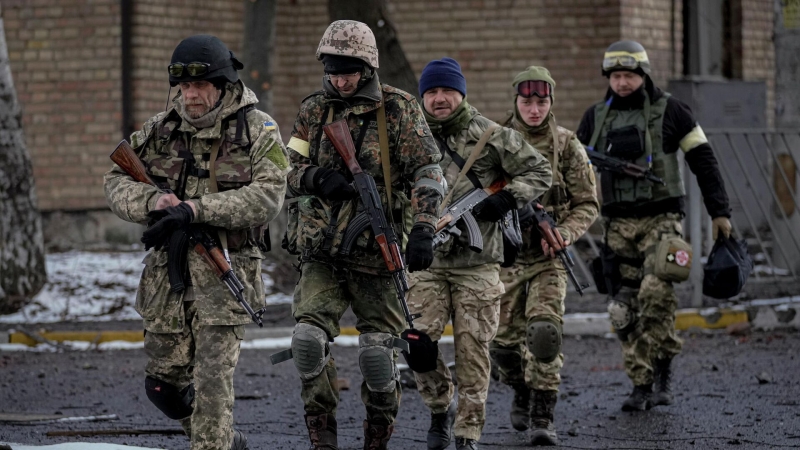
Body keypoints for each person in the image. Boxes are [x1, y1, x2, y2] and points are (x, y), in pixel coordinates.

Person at [104, 35, 289, 450]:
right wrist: (153, 201)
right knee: (163, 388)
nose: (190, 95)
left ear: (222, 84)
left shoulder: (258, 129)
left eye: (200, 85)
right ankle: (224, 441)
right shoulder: (161, 128)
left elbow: (269, 195)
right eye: (184, 86)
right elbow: (114, 181)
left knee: (211, 388)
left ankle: (213, 442)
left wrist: (196, 209)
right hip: (166, 281)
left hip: (226, 274)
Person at [275, 20, 444, 450]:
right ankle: (322, 430)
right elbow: (284, 169)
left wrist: (424, 227)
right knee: (307, 342)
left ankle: (378, 431)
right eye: (332, 71)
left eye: (348, 72)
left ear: (367, 68)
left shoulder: (399, 109)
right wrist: (314, 178)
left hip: (377, 254)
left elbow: (428, 171)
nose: (339, 80)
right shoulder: (314, 110)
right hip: (321, 250)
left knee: (377, 355)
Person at [576, 40, 732, 411]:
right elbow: (572, 170)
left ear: (643, 75)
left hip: (662, 219)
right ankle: (640, 383)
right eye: (615, 76)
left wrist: (720, 212)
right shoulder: (595, 117)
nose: (622, 83)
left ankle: (663, 372)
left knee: (656, 293)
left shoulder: (672, 111)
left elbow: (703, 161)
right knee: (621, 309)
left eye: (629, 75)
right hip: (616, 225)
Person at [408, 57, 553, 450]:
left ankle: (467, 433)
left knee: (473, 352)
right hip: (427, 263)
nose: (439, 99)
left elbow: (540, 171)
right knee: (418, 346)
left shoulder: (490, 134)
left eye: (447, 90)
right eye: (431, 92)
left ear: (462, 93)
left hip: (478, 264)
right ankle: (440, 408)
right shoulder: (411, 135)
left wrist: (506, 198)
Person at [490, 66, 599, 445]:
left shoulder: (567, 144)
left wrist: (564, 233)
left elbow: (587, 203)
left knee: (544, 334)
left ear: (551, 102)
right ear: (516, 102)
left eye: (542, 102)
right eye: (527, 102)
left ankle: (542, 415)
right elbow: (473, 192)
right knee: (501, 345)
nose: (534, 110)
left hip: (548, 257)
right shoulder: (495, 141)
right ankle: (520, 388)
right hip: (504, 256)